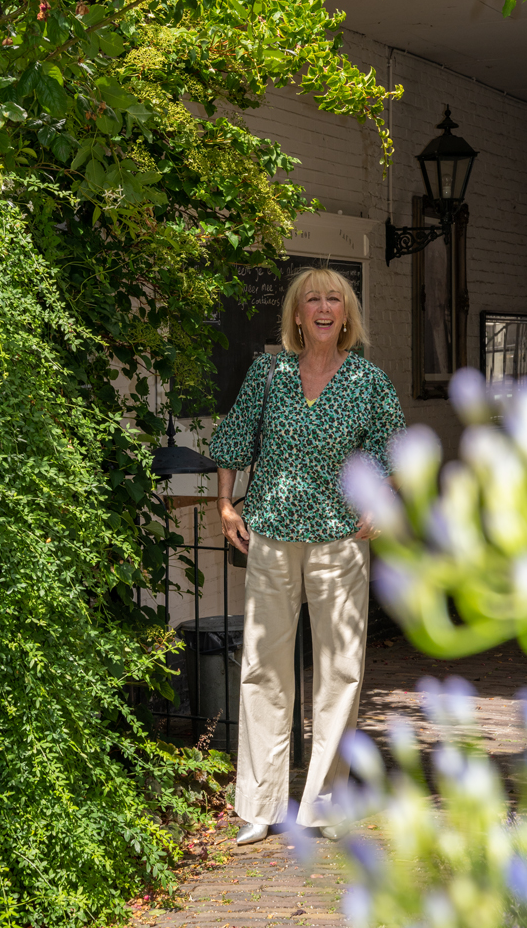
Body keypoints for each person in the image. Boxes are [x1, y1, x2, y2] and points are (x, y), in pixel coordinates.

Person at [209, 267, 405, 843]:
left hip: (341, 540)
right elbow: (233, 438)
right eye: (312, 299)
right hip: (269, 536)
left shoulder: (368, 381)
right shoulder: (268, 374)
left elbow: (393, 449)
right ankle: (260, 806)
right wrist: (225, 504)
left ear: (347, 316)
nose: (324, 307)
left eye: (335, 300)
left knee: (339, 672)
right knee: (263, 670)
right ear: (297, 314)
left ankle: (323, 804)